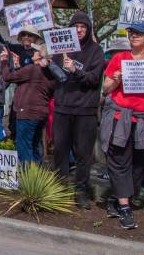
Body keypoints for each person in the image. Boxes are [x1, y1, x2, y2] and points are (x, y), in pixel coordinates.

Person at [50, 11, 105, 210]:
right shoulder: (61, 50)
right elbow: (54, 77)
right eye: (76, 26)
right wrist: (46, 64)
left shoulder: (96, 51)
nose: (79, 30)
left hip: (86, 110)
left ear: (88, 29)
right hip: (62, 108)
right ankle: (59, 189)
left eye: (83, 26)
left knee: (83, 155)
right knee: (60, 152)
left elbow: (93, 79)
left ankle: (81, 191)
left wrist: (76, 70)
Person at [100, 22, 144, 230]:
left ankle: (118, 198)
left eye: (138, 33)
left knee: (138, 164)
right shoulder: (119, 59)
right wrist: (115, 81)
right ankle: (125, 207)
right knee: (118, 160)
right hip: (120, 117)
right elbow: (106, 88)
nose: (134, 36)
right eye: (131, 33)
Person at [1, 43, 54, 167]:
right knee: (35, 146)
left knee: (24, 147)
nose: (32, 53)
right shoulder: (52, 73)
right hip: (41, 113)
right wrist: (19, 66)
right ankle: (38, 176)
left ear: (40, 55)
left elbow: (8, 77)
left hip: (27, 113)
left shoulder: (32, 69)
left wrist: (4, 61)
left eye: (35, 51)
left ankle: (29, 179)